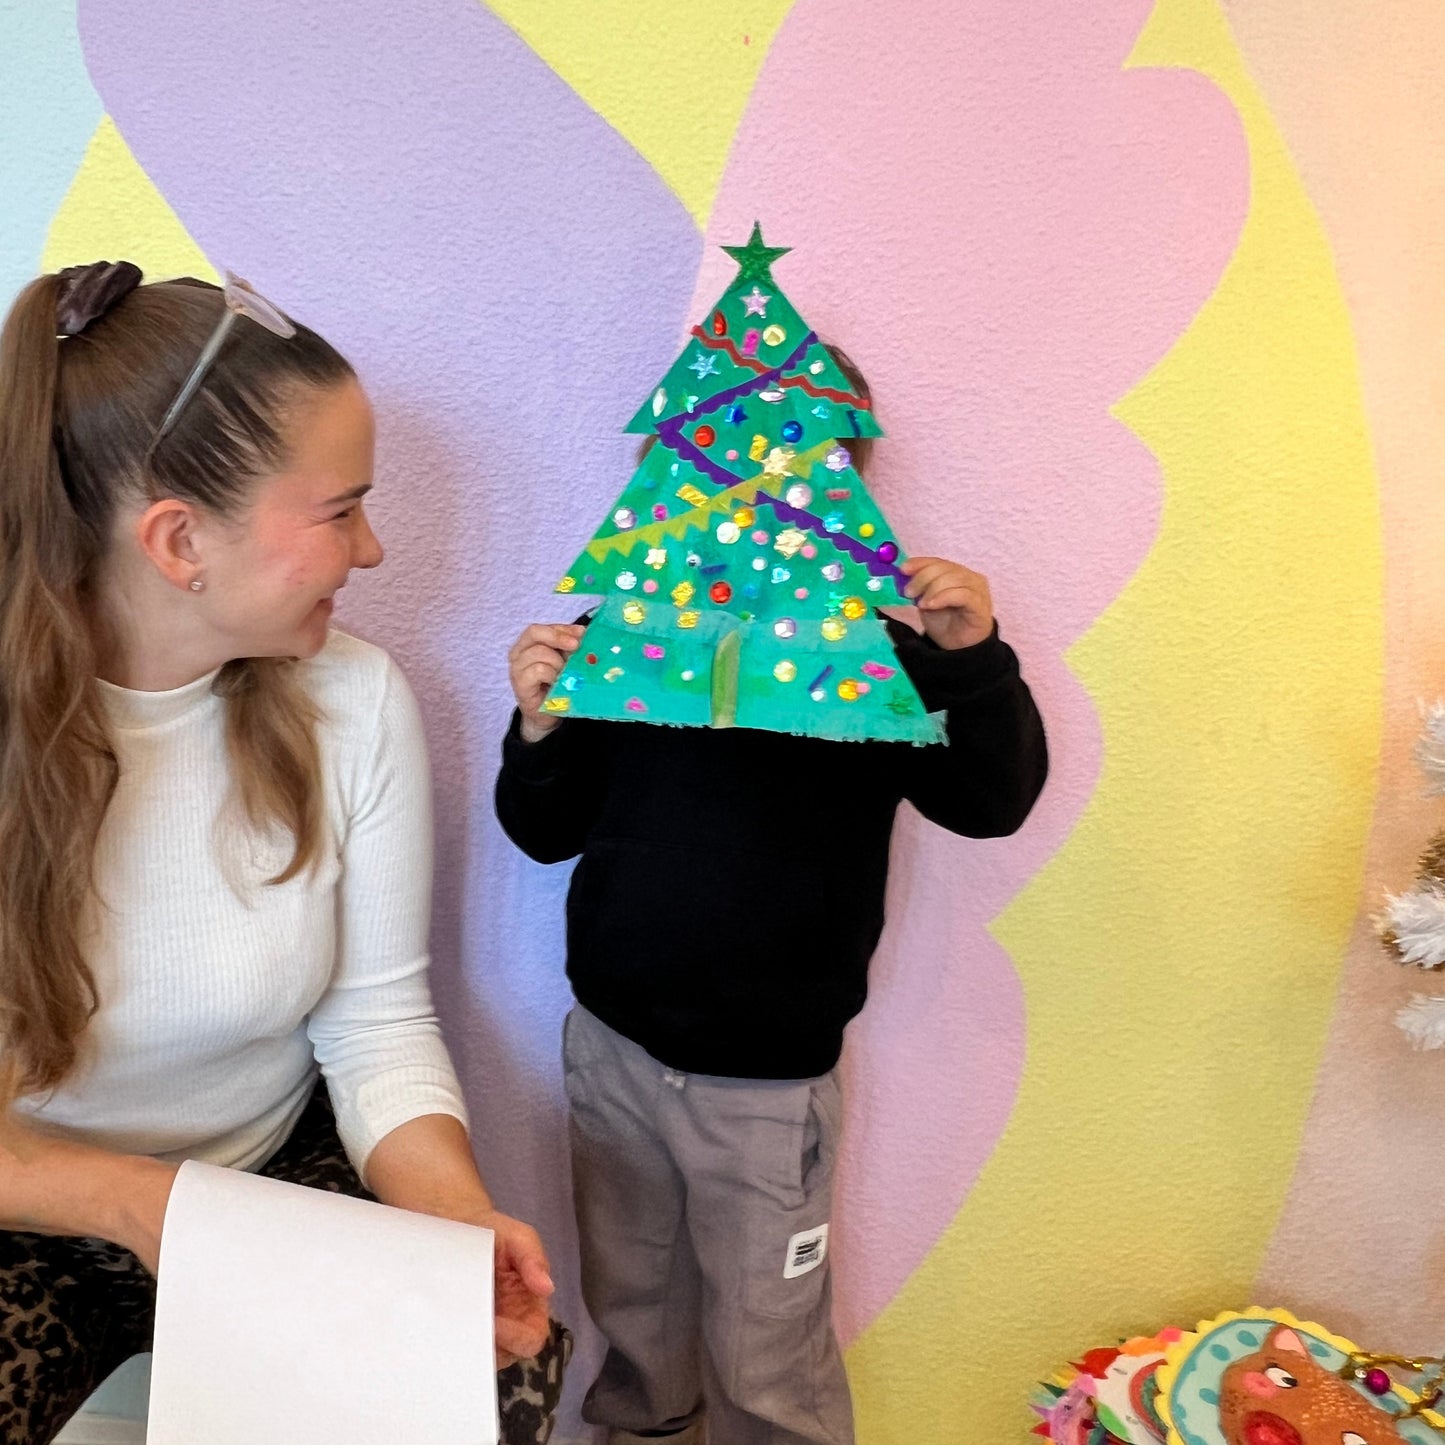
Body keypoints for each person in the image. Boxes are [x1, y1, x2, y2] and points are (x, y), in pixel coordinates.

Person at [0, 261, 567, 1445]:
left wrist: (455, 1221)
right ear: (178, 539)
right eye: (339, 508)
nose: (371, 550)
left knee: (491, 1371)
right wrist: (141, 1201)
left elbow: (374, 1025)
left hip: (263, 1172)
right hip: (33, 1205)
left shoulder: (353, 702)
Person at [495, 348, 1048, 1445]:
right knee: (633, 1312)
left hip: (763, 1088)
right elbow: (542, 829)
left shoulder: (874, 662)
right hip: (609, 1053)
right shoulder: (629, 640)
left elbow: (989, 801)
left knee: (767, 1351)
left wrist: (971, 662)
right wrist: (541, 726)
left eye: (798, 474)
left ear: (841, 494)